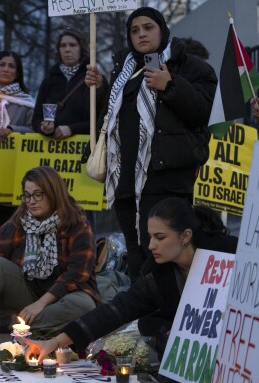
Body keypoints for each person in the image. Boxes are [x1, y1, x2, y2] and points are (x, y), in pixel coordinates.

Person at [85, 7, 217, 281]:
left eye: (148, 27)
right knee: (135, 252)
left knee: (161, 254)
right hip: (125, 178)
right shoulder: (124, 71)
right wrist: (99, 89)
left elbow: (203, 112)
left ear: (162, 29)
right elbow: (111, 120)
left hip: (164, 178)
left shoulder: (193, 67)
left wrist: (169, 85)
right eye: (134, 30)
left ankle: (169, 316)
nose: (141, 34)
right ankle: (143, 318)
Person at [19, 197, 237, 361]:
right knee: (150, 325)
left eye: (160, 237)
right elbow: (117, 310)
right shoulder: (157, 275)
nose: (151, 246)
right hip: (198, 352)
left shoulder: (232, 255)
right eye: (150, 237)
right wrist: (55, 342)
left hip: (238, 340)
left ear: (186, 236)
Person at [0, 166, 100, 333]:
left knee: (85, 306)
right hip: (26, 295)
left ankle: (8, 323)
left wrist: (41, 304)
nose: (31, 201)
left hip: (61, 299)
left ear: (54, 193)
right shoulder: (20, 222)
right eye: (27, 196)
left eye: (38, 194)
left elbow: (77, 275)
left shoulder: (77, 224)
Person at [33, 28, 107, 139]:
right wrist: (43, 127)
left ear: (81, 48)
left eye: (72, 45)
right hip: (51, 151)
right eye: (63, 45)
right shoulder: (49, 80)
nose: (67, 49)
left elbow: (103, 120)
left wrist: (72, 129)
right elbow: (36, 119)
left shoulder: (94, 79)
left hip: (85, 150)